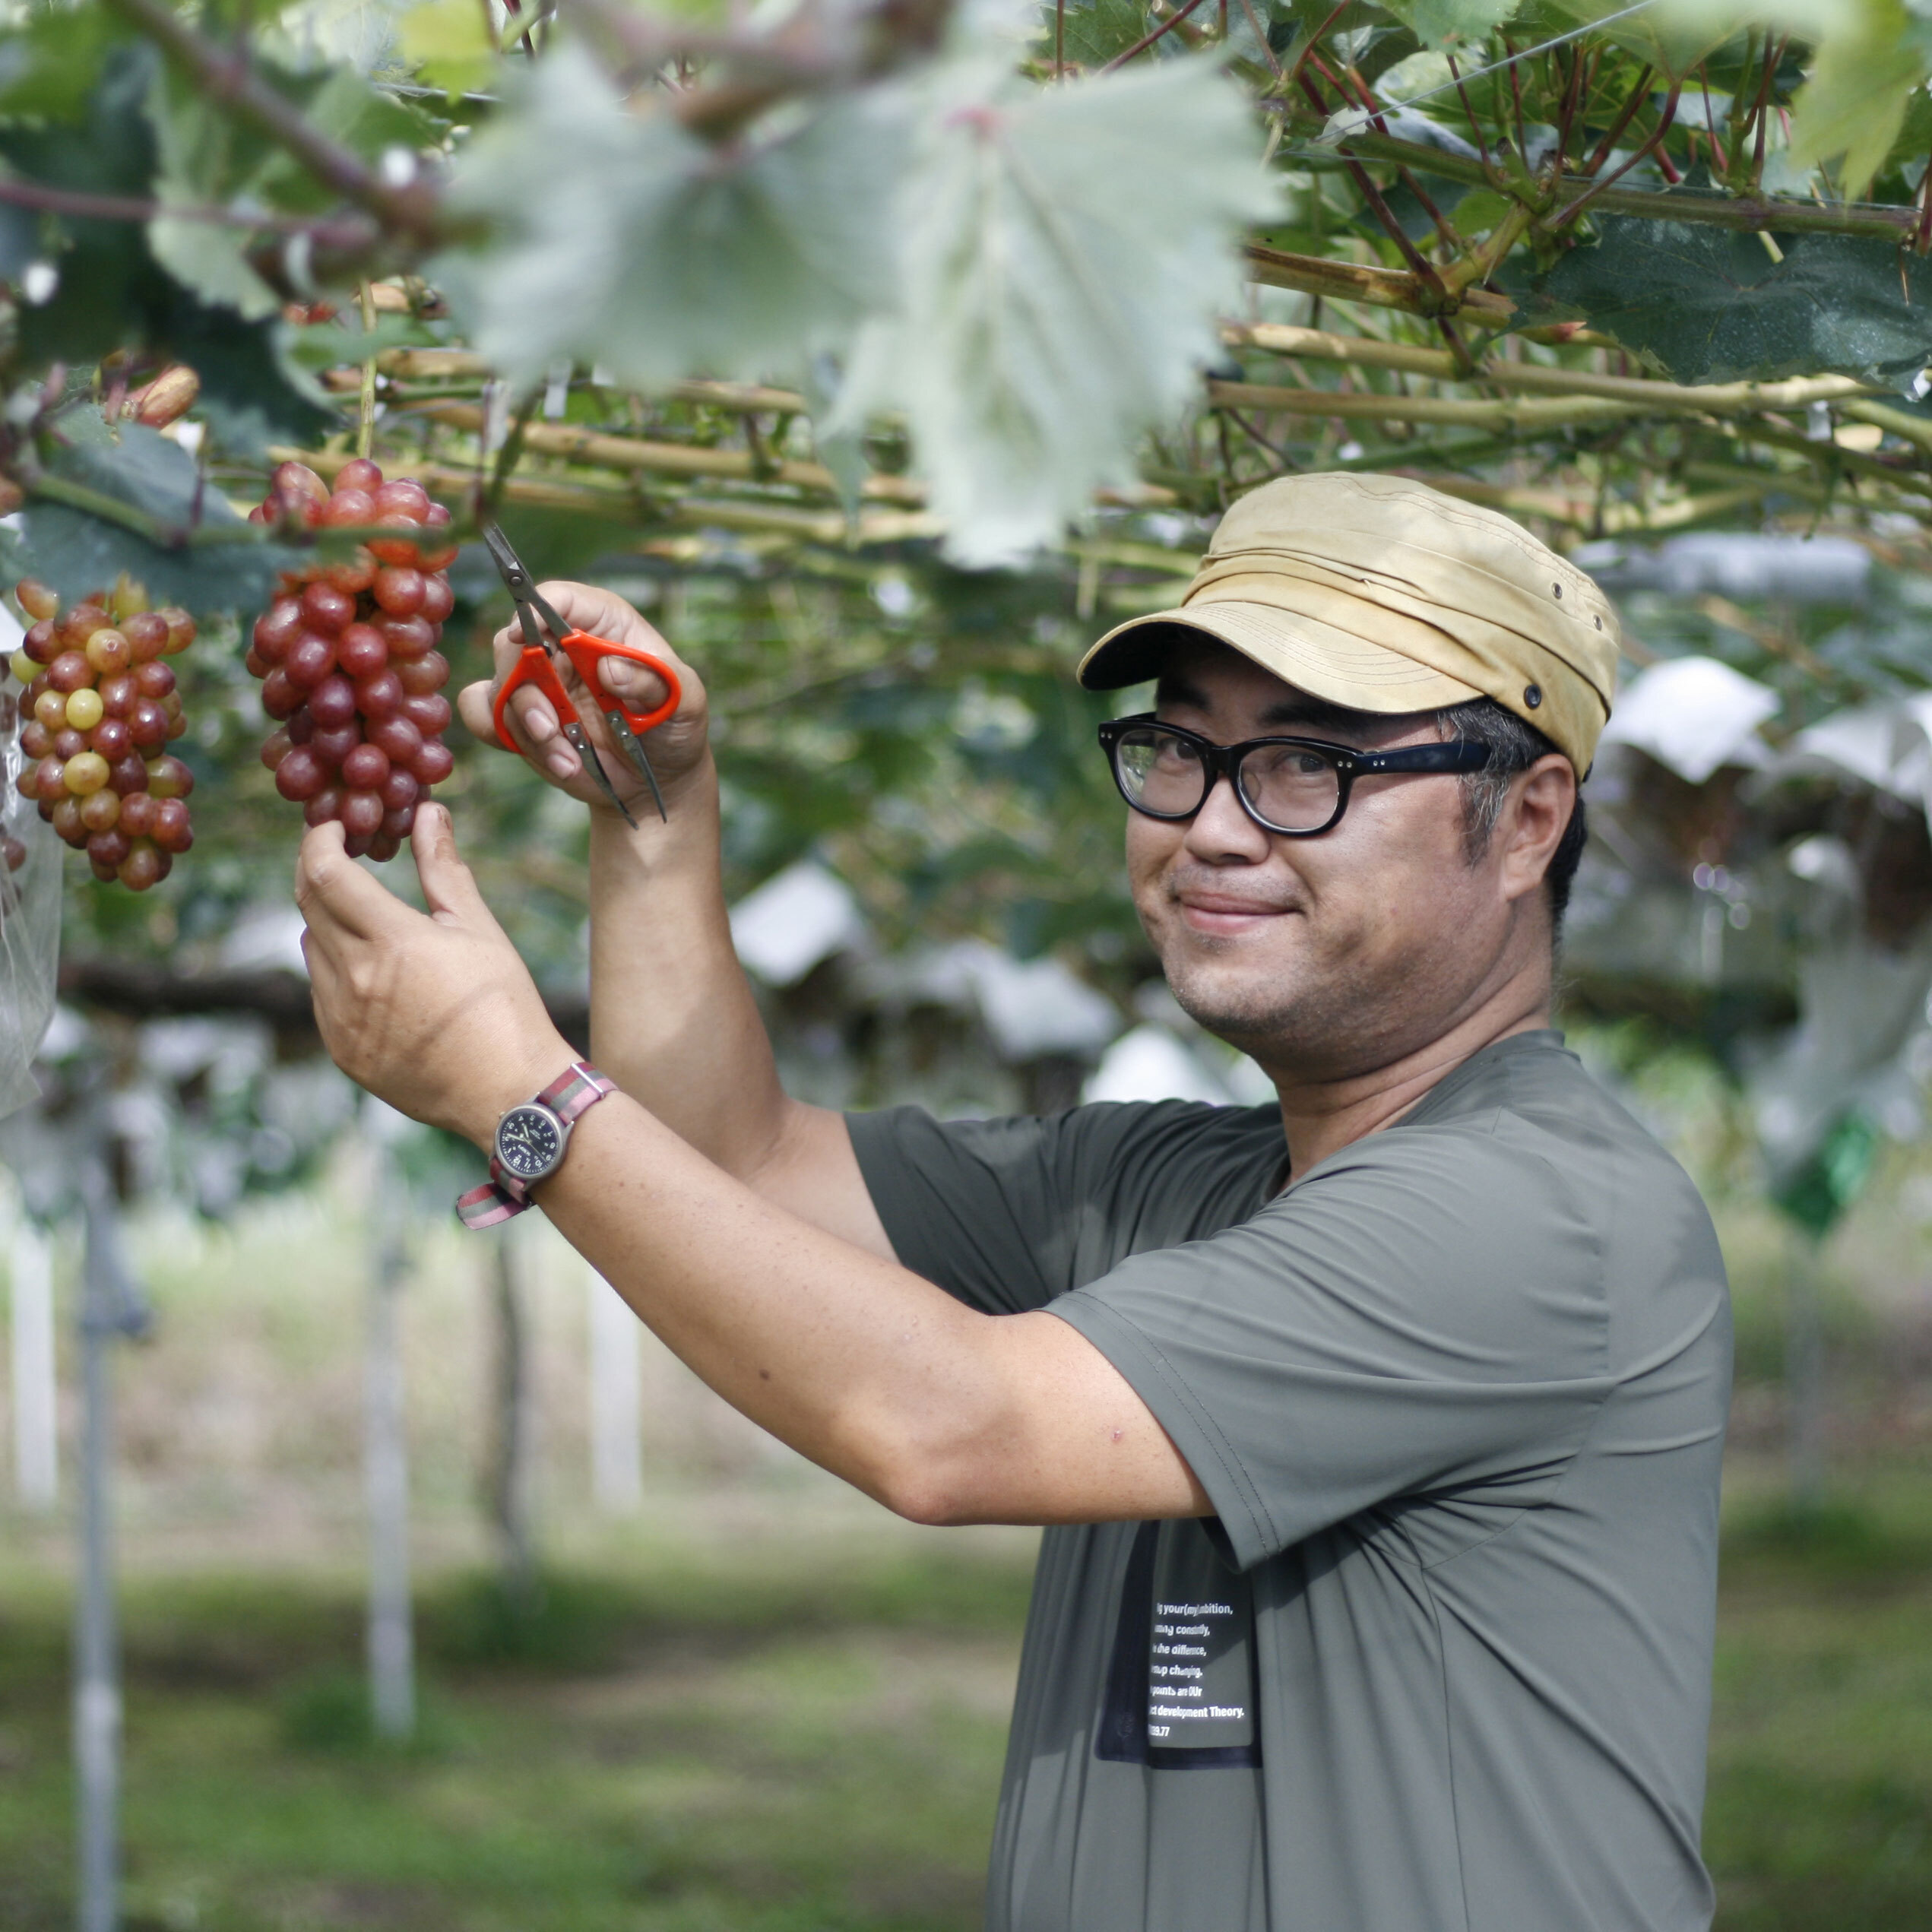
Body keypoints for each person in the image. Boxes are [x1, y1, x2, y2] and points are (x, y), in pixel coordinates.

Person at [296, 472, 1731, 1932]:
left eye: (1307, 766)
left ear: (1525, 821)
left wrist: (522, 1094)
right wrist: (653, 816)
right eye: (1178, 749)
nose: (1214, 828)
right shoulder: (1179, 1183)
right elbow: (730, 1165)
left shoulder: (1539, 1213)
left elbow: (948, 1430)